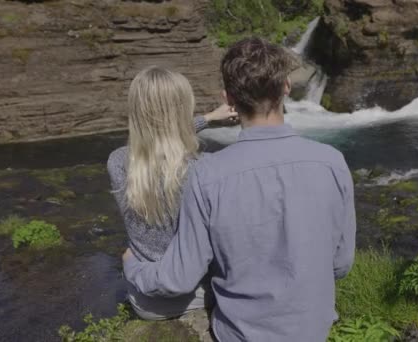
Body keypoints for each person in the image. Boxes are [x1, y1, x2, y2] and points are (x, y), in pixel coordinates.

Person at [123, 38, 356, 341]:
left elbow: (177, 278)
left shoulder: (207, 175)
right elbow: (341, 264)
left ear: (228, 97)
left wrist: (133, 267)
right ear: (286, 86)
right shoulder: (332, 162)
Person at [107, 66, 237, 320]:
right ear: (183, 110)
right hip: (198, 294)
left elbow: (158, 138)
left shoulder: (116, 161)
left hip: (143, 299)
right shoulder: (203, 168)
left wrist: (208, 118)